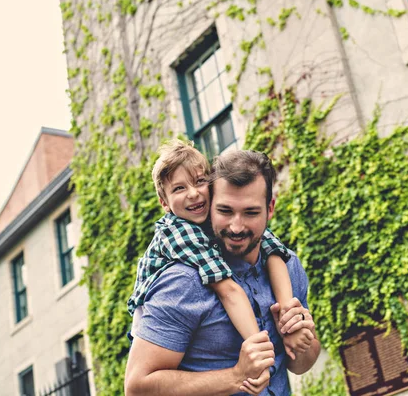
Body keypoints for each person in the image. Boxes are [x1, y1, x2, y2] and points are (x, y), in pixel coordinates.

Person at [125, 149, 321, 395]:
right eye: (225, 211)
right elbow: (136, 388)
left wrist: (302, 335)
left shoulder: (287, 264)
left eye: (250, 212)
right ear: (211, 207)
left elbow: (300, 364)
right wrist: (236, 376)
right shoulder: (183, 280)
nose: (237, 226)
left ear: (269, 209)